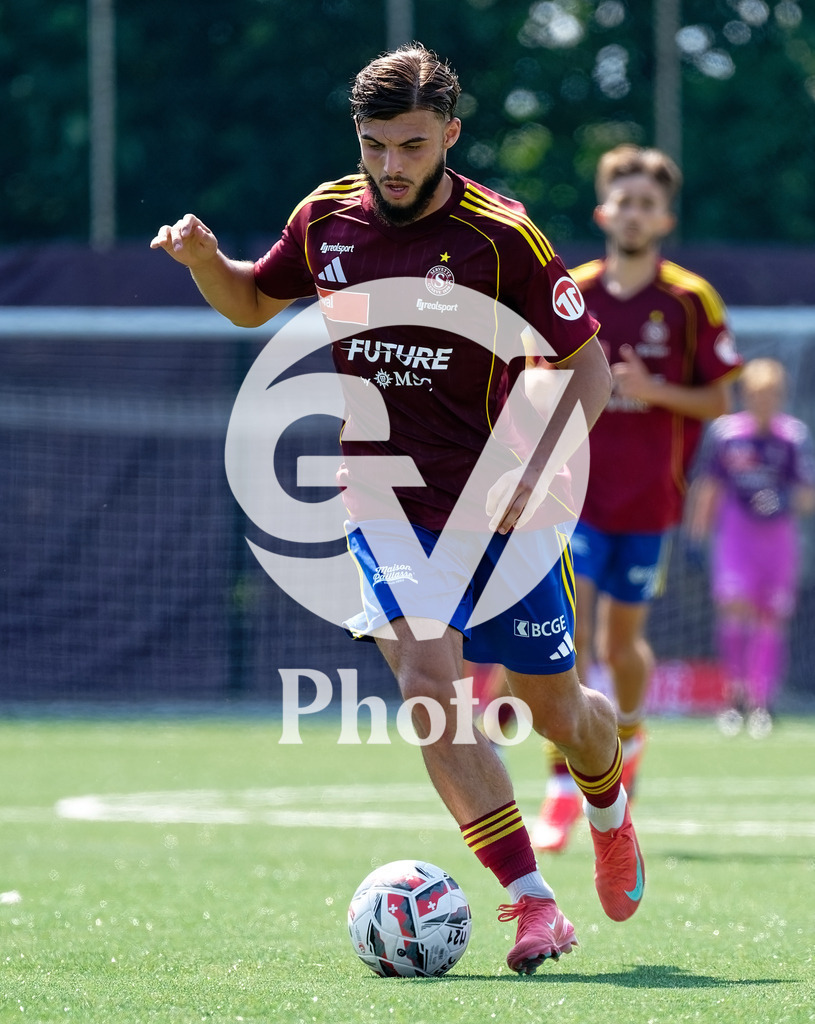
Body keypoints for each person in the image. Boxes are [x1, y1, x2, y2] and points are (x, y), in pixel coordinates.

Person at [151, 44, 645, 975]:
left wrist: (535, 473)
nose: (389, 165)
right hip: (382, 497)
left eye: (411, 145)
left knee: (558, 713)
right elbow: (251, 301)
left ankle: (609, 807)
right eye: (375, 144)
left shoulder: (504, 235)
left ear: (450, 136)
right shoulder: (326, 218)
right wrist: (205, 261)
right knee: (428, 683)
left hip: (503, 510)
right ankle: (531, 901)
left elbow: (587, 371)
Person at [532, 144, 742, 854]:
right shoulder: (572, 291)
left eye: (647, 203)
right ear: (602, 211)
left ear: (664, 219)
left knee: (619, 646)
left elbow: (719, 398)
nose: (633, 212)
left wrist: (655, 393)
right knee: (572, 633)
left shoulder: (688, 300)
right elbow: (539, 378)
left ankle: (627, 733)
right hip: (574, 497)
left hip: (650, 501)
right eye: (622, 199)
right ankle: (564, 781)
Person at [687, 358, 815, 738]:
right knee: (735, 613)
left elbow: (808, 494)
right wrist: (697, 535)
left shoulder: (793, 437)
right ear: (746, 395)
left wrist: (784, 500)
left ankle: (762, 702)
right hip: (736, 538)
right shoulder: (727, 435)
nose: (764, 400)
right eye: (758, 393)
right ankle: (733, 698)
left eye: (772, 394)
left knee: (770, 618)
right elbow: (709, 487)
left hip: (778, 541)